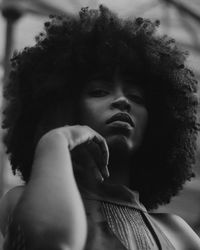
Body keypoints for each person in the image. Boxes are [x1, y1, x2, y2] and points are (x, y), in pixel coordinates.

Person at [0, 5, 200, 250]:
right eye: (99, 92)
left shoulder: (178, 233)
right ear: (63, 106)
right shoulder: (21, 200)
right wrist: (55, 140)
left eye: (137, 97)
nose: (122, 100)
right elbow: (50, 241)